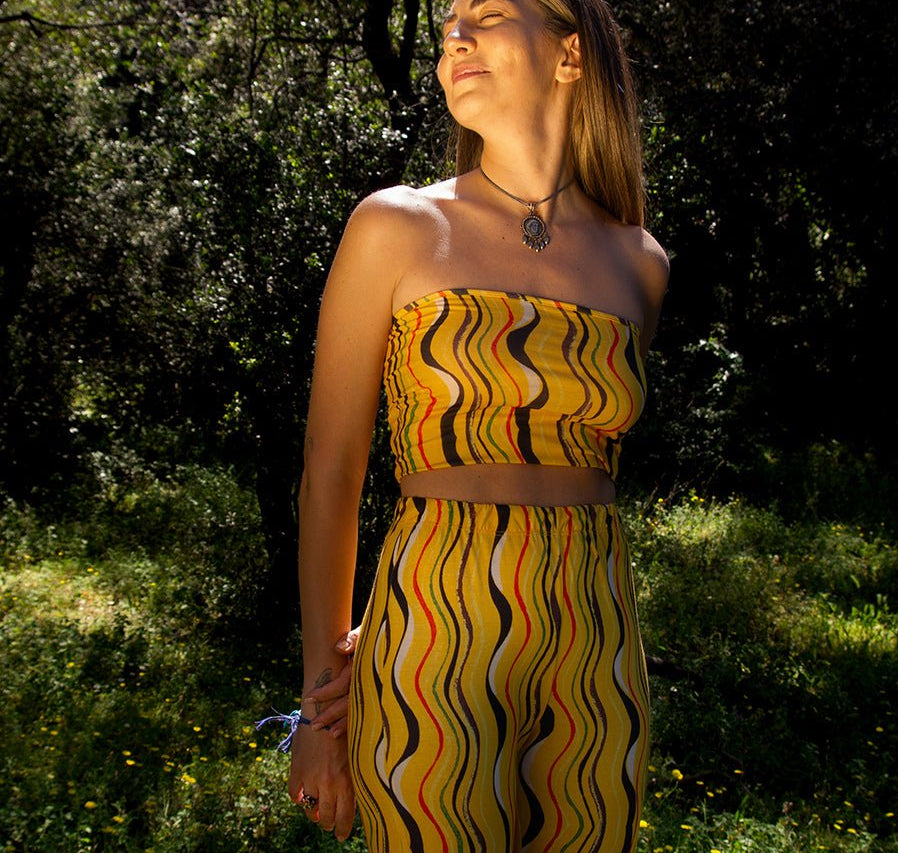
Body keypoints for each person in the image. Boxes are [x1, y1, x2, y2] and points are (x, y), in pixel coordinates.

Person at [287, 0, 669, 849]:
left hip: (598, 635)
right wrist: (320, 702)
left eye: (488, 13)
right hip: (433, 624)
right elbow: (331, 469)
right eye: (449, 22)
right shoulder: (394, 225)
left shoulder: (640, 263)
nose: (455, 36)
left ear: (570, 55)